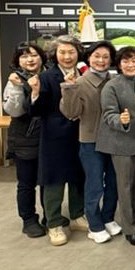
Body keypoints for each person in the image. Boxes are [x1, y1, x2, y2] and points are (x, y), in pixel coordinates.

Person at [60, 40, 121, 244]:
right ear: (88, 58)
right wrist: (69, 88)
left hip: (115, 140)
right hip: (90, 140)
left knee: (113, 182)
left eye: (105, 57)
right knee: (94, 184)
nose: (101, 60)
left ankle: (108, 217)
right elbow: (71, 113)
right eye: (97, 56)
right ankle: (94, 225)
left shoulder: (115, 79)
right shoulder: (79, 81)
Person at [29, 36, 86, 246]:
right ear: (55, 54)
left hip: (80, 133)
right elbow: (37, 110)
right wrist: (35, 93)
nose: (67, 56)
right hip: (54, 136)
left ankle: (77, 215)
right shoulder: (46, 76)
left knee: (79, 176)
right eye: (62, 52)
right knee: (54, 180)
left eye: (71, 52)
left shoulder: (83, 73)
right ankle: (53, 223)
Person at [96, 46, 135, 246]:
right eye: (125, 61)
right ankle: (130, 227)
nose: (130, 64)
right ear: (119, 64)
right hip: (121, 143)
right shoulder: (111, 86)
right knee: (125, 186)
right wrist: (121, 120)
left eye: (134, 60)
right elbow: (108, 113)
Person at [3, 42, 47, 238]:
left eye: (34, 55)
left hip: (48, 137)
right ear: (17, 60)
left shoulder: (49, 75)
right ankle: (28, 219)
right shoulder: (15, 79)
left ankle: (50, 216)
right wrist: (17, 87)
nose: (30, 60)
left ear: (41, 57)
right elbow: (14, 111)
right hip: (24, 138)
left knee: (48, 181)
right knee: (27, 183)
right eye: (24, 56)